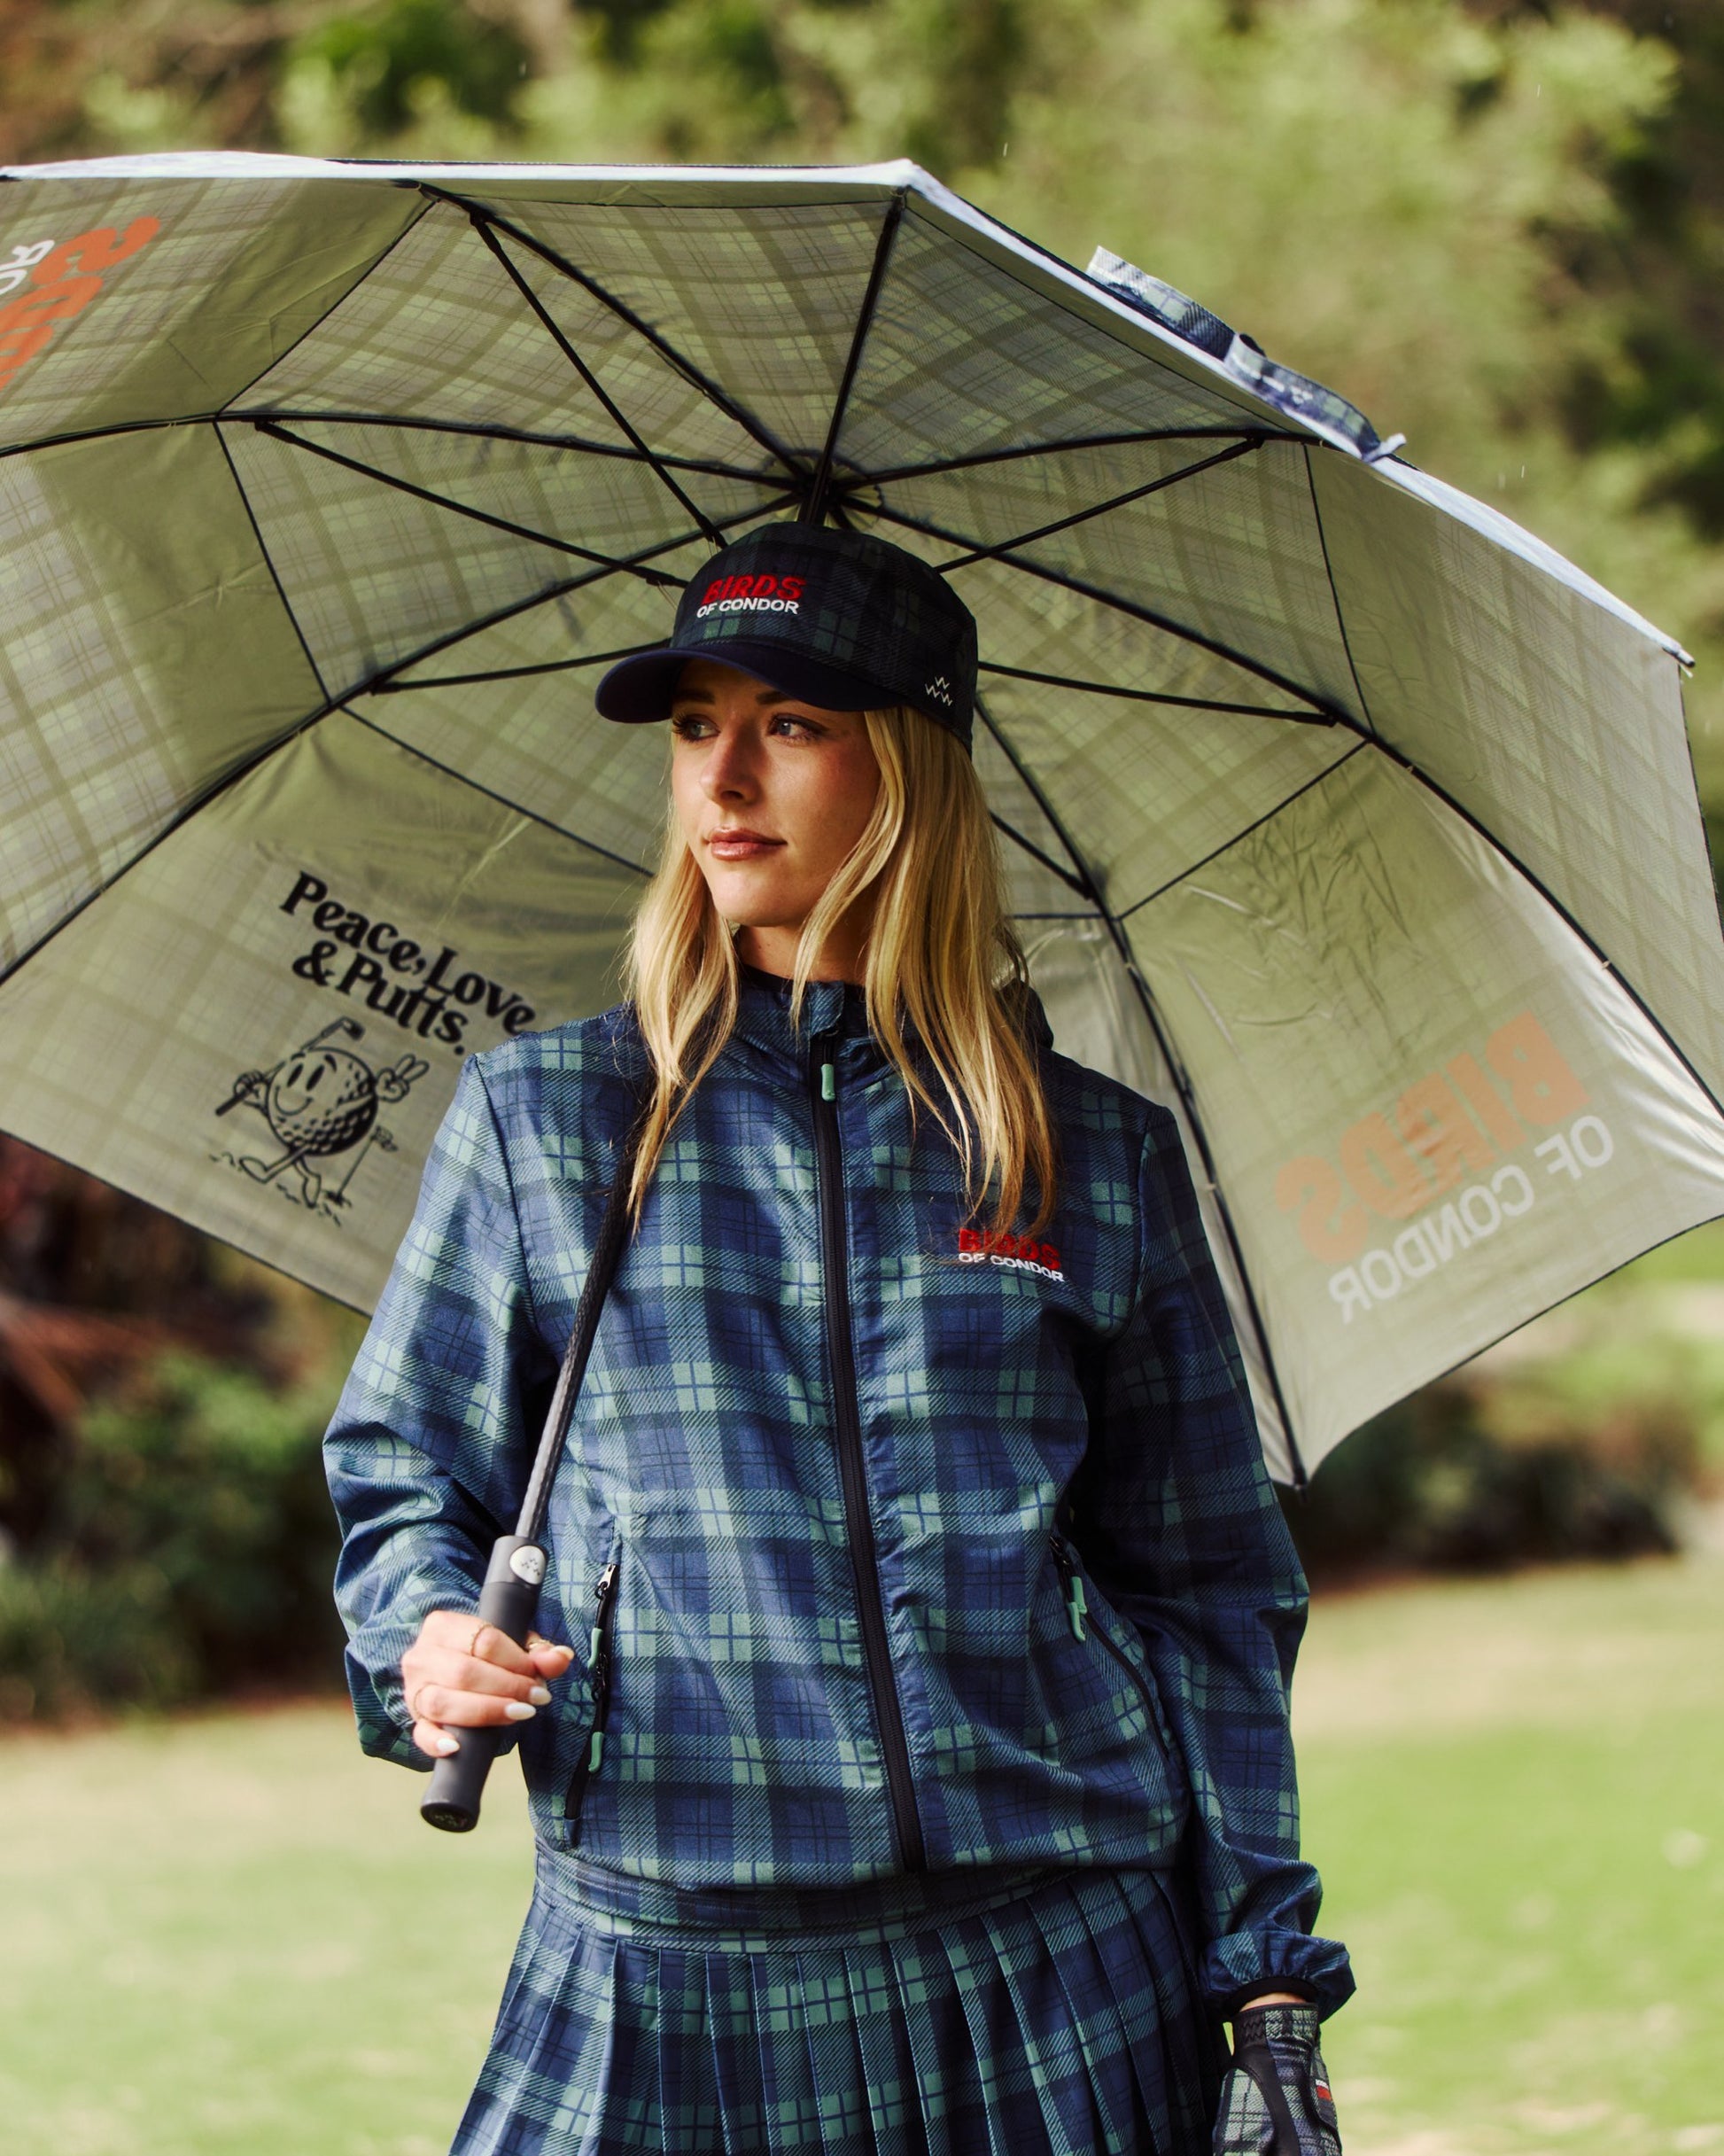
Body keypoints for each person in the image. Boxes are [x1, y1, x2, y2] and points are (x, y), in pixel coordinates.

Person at [323, 521, 1353, 2155]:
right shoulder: (548, 1121)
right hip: (668, 1959)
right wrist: (426, 1642)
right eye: (694, 726)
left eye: (790, 723)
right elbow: (401, 1478)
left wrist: (1263, 1966)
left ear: (912, 769)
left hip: (1056, 1954)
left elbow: (1207, 1586)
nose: (723, 777)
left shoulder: (1090, 1152)